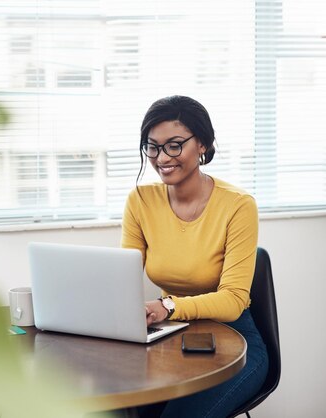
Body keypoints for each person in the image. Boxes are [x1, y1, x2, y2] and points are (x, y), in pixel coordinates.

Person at [121, 95, 269, 418]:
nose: (162, 158)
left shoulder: (238, 205)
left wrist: (168, 307)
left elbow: (232, 301)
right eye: (153, 147)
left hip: (235, 345)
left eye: (175, 145)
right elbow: (122, 279)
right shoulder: (140, 201)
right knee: (120, 409)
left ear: (202, 144)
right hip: (169, 342)